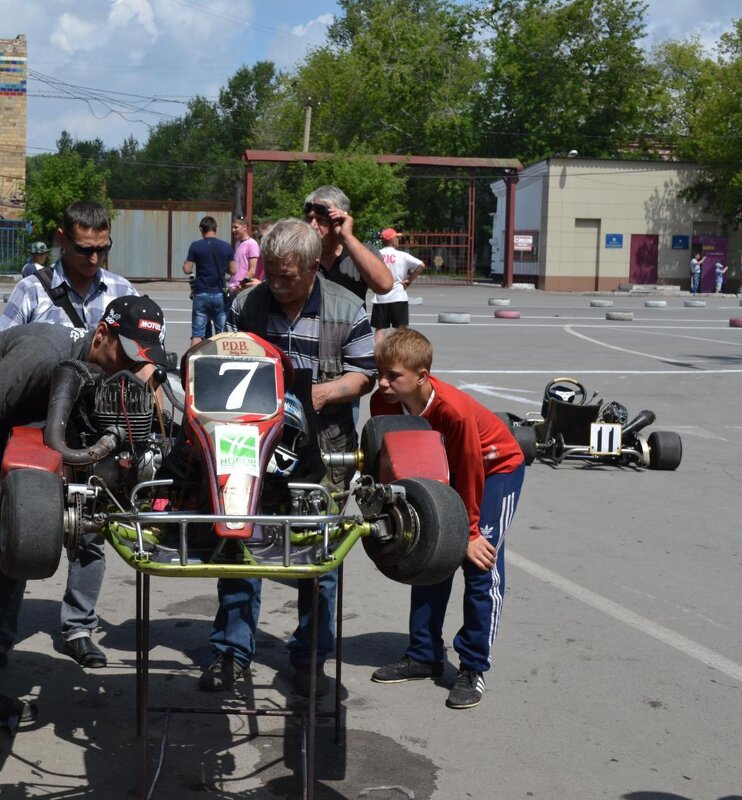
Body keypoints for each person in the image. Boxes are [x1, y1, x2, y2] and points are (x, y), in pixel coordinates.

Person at [0, 296, 170, 768]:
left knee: (4, 565)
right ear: (101, 332)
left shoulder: (103, 374)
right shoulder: (47, 353)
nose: (128, 366)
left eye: (139, 359)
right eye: (123, 353)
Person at [200, 219, 376, 697]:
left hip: (324, 446)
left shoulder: (348, 308)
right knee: (239, 545)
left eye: (287, 277)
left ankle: (310, 658)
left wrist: (313, 396)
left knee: (317, 556)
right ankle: (231, 651)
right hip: (245, 445)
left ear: (315, 267)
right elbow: (218, 360)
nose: (276, 284)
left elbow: (364, 375)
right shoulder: (245, 304)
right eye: (272, 274)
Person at [0, 200, 142, 670]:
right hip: (35, 430)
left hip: (95, 433)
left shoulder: (122, 292)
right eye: (84, 249)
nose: (94, 259)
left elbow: (145, 359)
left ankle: (79, 627)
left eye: (103, 248)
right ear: (62, 238)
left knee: (91, 530)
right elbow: (0, 354)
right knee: (19, 527)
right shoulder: (30, 291)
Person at [368, 327, 525, 710]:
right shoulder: (383, 404)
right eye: (381, 373)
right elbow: (392, 459)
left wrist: (469, 532)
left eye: (394, 376)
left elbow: (471, 471)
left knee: (480, 565)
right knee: (428, 556)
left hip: (494, 472)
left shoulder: (453, 412)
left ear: (422, 376)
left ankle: (473, 666)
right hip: (439, 473)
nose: (383, 383)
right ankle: (424, 655)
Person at [182, 215, 236, 346]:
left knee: (197, 334)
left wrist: (186, 264)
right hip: (219, 294)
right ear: (215, 229)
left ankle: (192, 363)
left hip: (201, 293)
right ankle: (221, 362)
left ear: (202, 229)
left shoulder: (195, 246)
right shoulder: (226, 246)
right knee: (222, 333)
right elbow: (233, 270)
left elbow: (187, 269)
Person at [371, 227, 425, 329]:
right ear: (392, 240)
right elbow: (421, 265)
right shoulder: (402, 255)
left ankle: (379, 346)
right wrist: (409, 280)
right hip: (398, 296)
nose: (398, 240)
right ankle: (399, 345)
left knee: (379, 329)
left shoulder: (376, 254)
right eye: (396, 237)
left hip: (380, 297)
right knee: (401, 329)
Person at [229, 215, 261, 292]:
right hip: (233, 287)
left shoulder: (252, 244)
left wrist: (241, 285)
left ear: (245, 227)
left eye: (236, 227)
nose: (233, 230)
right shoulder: (238, 243)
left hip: (242, 288)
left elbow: (253, 270)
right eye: (232, 227)